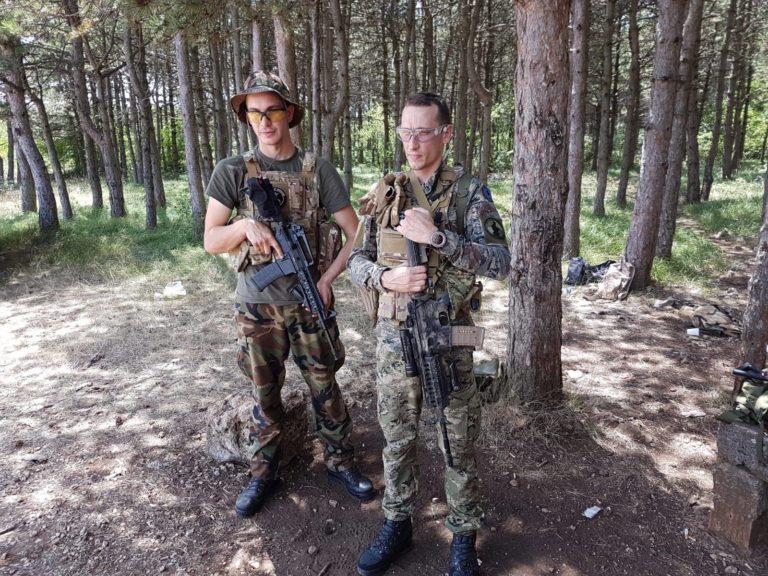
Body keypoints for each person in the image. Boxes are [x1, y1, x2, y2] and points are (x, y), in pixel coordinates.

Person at [347, 93, 510, 576]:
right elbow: (356, 261)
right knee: (397, 438)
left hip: (448, 339)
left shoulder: (469, 194)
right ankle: (397, 523)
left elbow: (500, 262)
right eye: (406, 132)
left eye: (423, 132)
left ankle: (463, 536)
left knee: (457, 442)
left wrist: (438, 237)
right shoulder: (387, 191)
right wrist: (387, 278)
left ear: (446, 133)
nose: (413, 143)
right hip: (395, 341)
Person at [203, 70, 374, 517]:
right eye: (254, 113)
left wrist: (326, 280)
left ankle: (339, 461)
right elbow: (211, 239)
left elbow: (356, 235)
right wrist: (245, 225)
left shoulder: (318, 171)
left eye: (273, 111)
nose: (264, 121)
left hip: (308, 302)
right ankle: (264, 472)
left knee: (325, 385)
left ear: (290, 114)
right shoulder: (233, 171)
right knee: (264, 394)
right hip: (257, 307)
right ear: (246, 117)